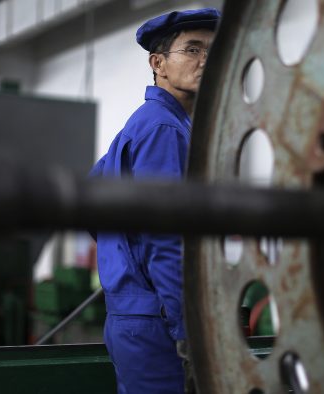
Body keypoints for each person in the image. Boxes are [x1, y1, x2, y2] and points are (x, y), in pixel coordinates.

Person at [89, 8, 220, 394]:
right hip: (159, 324)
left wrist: (124, 267)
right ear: (158, 63)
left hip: (135, 317)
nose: (205, 61)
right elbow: (167, 239)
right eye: (192, 50)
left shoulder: (143, 123)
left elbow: (93, 202)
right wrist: (186, 330)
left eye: (213, 51)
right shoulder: (164, 128)